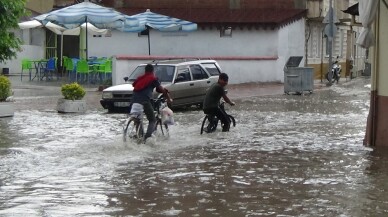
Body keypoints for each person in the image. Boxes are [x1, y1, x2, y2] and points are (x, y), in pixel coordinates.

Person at [131, 64, 172, 141]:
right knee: (152, 119)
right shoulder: (152, 78)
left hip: (134, 101)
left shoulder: (140, 78)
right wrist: (168, 98)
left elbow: (134, 86)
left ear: (145, 71)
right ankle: (146, 139)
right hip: (145, 101)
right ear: (153, 71)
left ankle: (138, 135)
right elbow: (161, 89)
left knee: (138, 119)